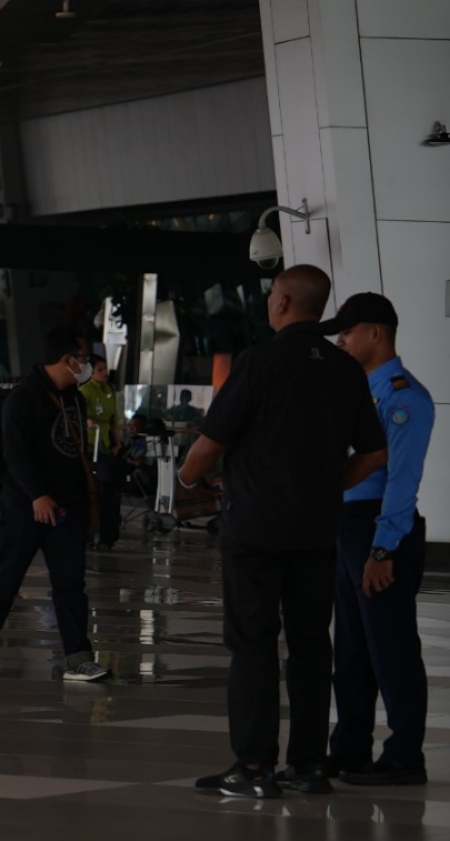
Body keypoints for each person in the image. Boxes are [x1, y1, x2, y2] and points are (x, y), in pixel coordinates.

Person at [177, 265, 387, 799]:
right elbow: (374, 451)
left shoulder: (259, 362)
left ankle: (251, 768)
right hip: (317, 531)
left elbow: (210, 444)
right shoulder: (345, 370)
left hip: (255, 530)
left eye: (273, 294)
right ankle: (310, 766)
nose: (270, 301)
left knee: (252, 643)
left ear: (285, 301)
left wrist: (185, 477)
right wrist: (330, 488)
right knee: (312, 644)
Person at [0, 329, 112, 684]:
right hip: (25, 504)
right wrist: (37, 495)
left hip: (66, 505)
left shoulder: (75, 398)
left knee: (71, 583)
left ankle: (78, 658)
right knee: (8, 577)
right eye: (83, 359)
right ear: (66, 359)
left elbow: (75, 451)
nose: (86, 366)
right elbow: (15, 453)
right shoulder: (23, 398)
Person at [323, 293, 433, 786]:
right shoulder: (356, 390)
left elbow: (402, 481)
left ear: (376, 333)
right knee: (350, 648)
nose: (341, 341)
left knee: (391, 648)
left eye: (347, 332)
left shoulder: (403, 396)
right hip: (349, 527)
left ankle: (405, 754)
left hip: (380, 528)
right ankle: (348, 748)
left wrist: (383, 549)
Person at [80, 355, 124, 549]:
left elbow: (114, 418)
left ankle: (108, 532)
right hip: (90, 445)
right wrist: (87, 421)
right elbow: (79, 415)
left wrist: (117, 442)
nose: (104, 373)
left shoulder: (110, 390)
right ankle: (91, 531)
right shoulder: (85, 390)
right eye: (100, 369)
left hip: (104, 444)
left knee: (110, 489)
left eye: (105, 369)